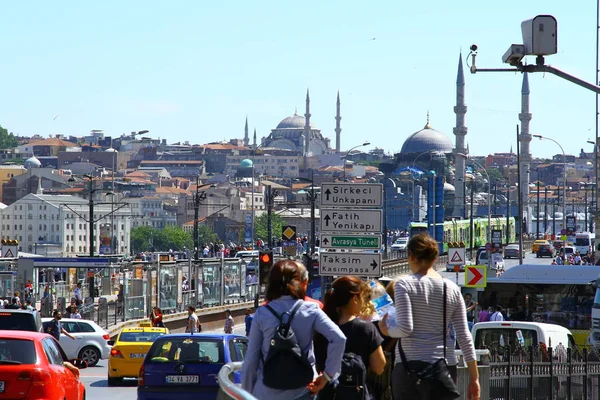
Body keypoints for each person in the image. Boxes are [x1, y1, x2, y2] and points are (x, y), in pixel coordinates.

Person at [379, 234, 479, 400]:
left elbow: (404, 328)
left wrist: (387, 330)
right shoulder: (452, 289)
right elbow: (463, 336)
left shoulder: (404, 284)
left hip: (408, 367)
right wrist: (474, 378)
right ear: (435, 257)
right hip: (443, 367)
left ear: (411, 255)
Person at [241, 260, 346, 400]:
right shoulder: (310, 310)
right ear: (299, 282)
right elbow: (339, 338)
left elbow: (251, 360)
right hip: (304, 390)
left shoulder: (262, 313)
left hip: (266, 391)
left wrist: (246, 394)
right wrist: (327, 375)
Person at [315, 276, 386, 400]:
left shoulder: (321, 326)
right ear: (354, 299)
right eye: (362, 298)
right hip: (356, 393)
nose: (364, 302)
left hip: (326, 394)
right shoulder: (366, 329)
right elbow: (379, 367)